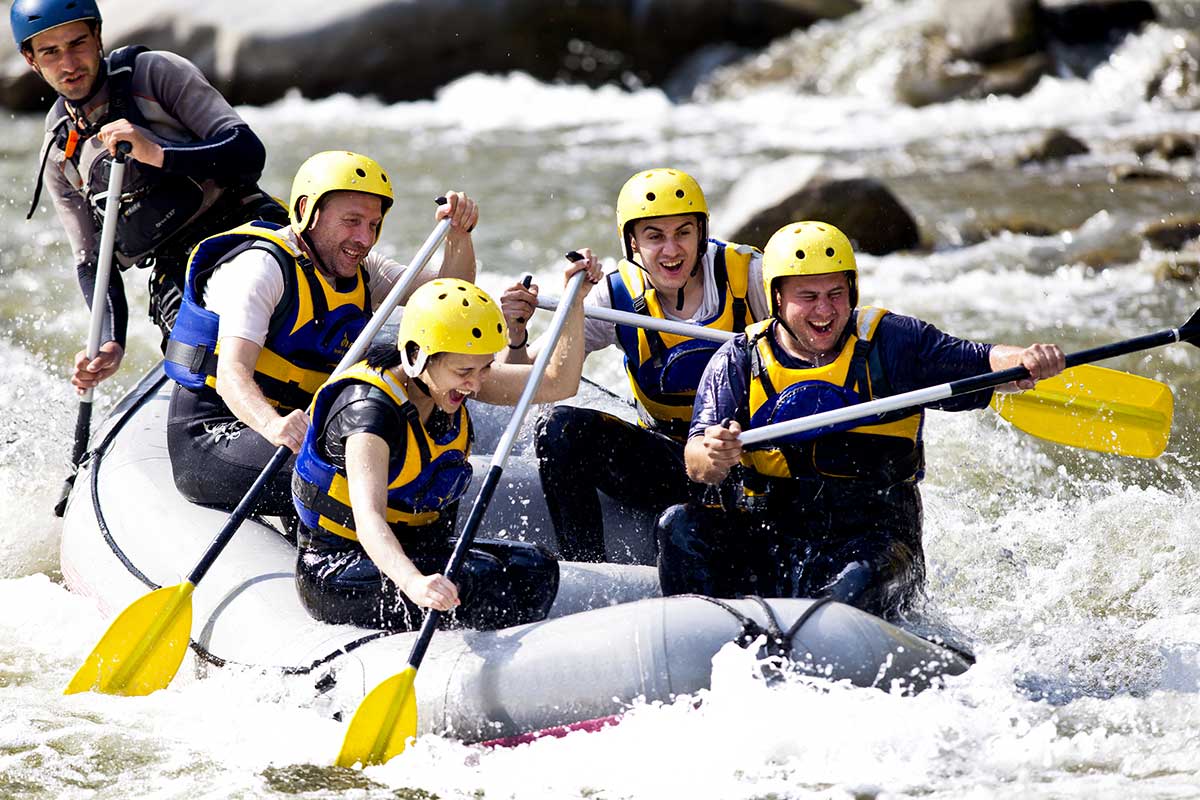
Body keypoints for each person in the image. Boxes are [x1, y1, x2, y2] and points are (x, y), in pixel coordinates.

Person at [657, 220, 1066, 618]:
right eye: (808, 296)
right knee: (679, 526)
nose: (824, 311)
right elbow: (697, 462)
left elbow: (984, 363)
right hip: (773, 538)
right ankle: (704, 633)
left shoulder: (892, 343)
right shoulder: (739, 359)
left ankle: (828, 632)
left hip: (875, 543)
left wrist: (1025, 361)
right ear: (777, 298)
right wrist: (715, 453)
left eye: (836, 293)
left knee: (854, 584)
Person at [291, 258, 603, 631]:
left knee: (534, 568)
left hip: (416, 549)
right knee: (477, 580)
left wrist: (576, 300)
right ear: (416, 356)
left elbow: (557, 383)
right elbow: (369, 520)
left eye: (484, 368)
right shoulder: (368, 414)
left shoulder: (449, 378)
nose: (476, 384)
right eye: (464, 372)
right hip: (340, 566)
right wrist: (414, 584)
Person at [164, 150, 479, 518]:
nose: (364, 238)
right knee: (371, 471)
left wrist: (459, 235)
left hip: (298, 427)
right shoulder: (261, 269)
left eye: (373, 225)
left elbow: (449, 300)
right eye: (351, 221)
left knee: (406, 455)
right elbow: (233, 374)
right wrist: (274, 425)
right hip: (217, 433)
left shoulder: (363, 269)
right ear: (306, 212)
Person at [11, 0, 288, 392]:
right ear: (30, 59)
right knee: (196, 375)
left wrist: (156, 154)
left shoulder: (156, 74)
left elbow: (246, 152)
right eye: (51, 52)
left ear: (98, 36)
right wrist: (110, 340)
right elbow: (92, 261)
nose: (69, 63)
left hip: (243, 224)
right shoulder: (59, 153)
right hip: (177, 270)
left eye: (77, 44)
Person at [499, 168, 769, 562]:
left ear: (702, 233)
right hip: (671, 460)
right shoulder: (616, 294)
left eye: (683, 233)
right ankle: (586, 565)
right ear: (633, 244)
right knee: (559, 429)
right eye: (655, 237)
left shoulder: (751, 276)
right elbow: (529, 381)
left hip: (748, 461)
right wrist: (516, 333)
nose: (671, 250)